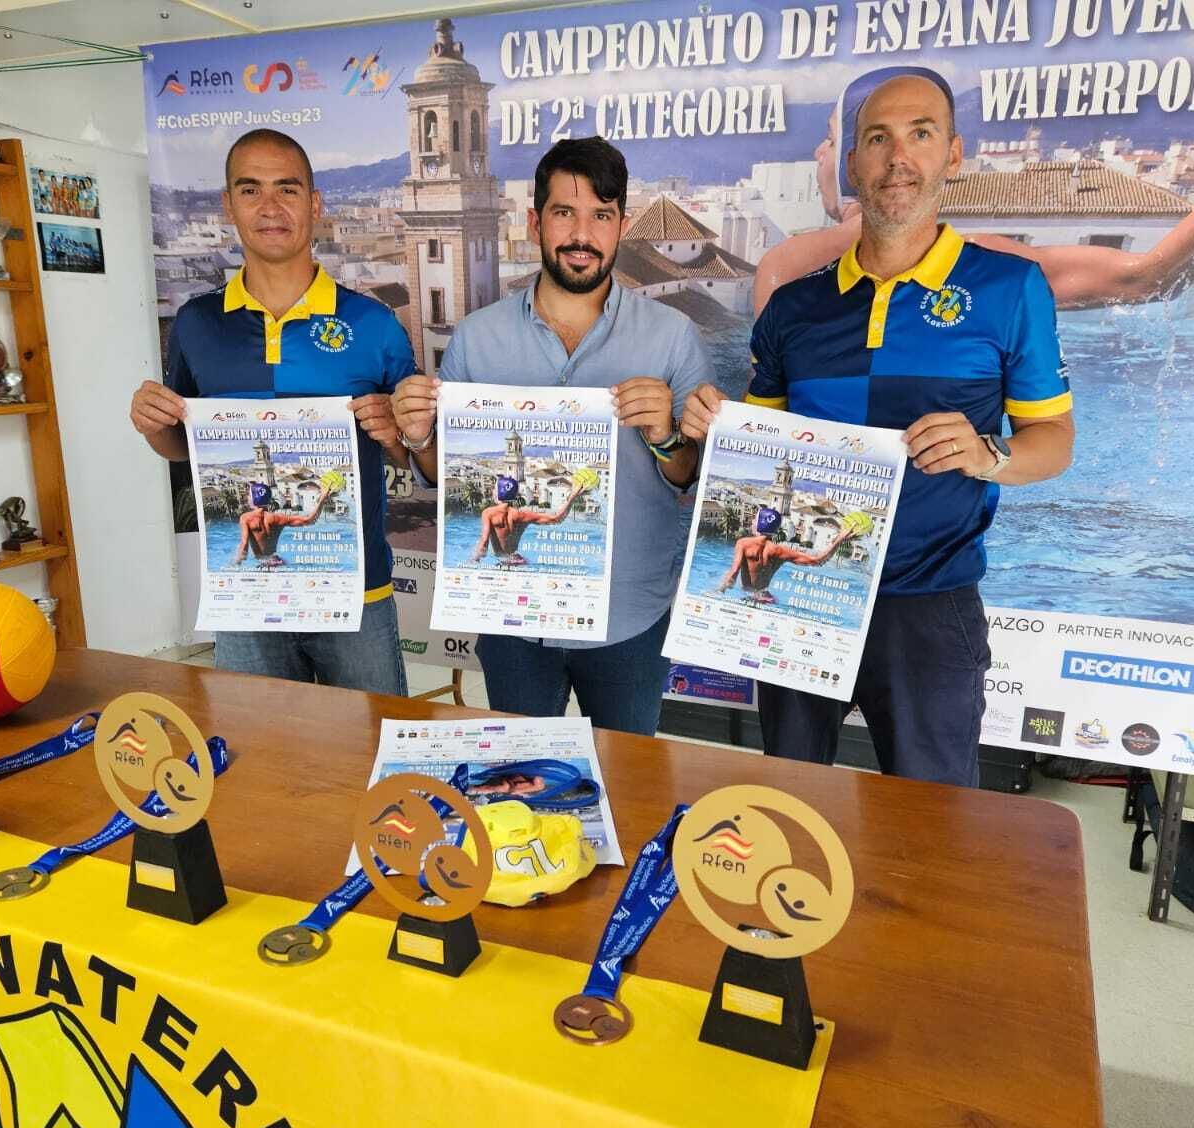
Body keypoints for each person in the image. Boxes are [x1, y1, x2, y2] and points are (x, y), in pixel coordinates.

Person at [682, 70, 1075, 786]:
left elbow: (1055, 441)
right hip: (800, 592)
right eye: (877, 139)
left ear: (952, 154)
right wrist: (716, 426)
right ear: (853, 164)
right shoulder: (793, 309)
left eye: (920, 134)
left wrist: (990, 455)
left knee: (934, 828)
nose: (899, 157)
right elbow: (758, 452)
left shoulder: (1009, 288)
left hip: (930, 600)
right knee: (792, 802)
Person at [392, 137, 722, 735]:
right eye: (564, 212)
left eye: (601, 215)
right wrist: (418, 439)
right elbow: (447, 481)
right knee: (520, 777)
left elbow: (690, 474)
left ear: (621, 224)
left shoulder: (672, 337)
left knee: (629, 786)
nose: (582, 233)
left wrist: (668, 435)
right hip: (512, 618)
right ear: (534, 221)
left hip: (628, 616)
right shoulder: (477, 338)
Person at [754, 33, 1194, 314]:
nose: (816, 157)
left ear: (847, 163)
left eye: (829, 141)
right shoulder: (991, 268)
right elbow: (1151, 277)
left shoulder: (785, 269)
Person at [130, 128, 413, 696]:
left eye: (287, 189)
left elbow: (413, 450)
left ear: (315, 203)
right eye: (251, 190)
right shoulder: (197, 323)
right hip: (245, 598)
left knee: (373, 757)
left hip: (357, 590)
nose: (270, 207)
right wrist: (155, 427)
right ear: (227, 205)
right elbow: (187, 447)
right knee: (259, 760)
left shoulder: (373, 323)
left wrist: (398, 430)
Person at [716, 507, 865, 605]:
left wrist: (719, 590)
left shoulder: (743, 543)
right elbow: (817, 561)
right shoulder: (780, 550)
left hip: (748, 597)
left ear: (760, 524)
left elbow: (733, 573)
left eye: (755, 519)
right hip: (766, 598)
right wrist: (838, 540)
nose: (753, 521)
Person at [471, 475, 588, 566]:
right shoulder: (522, 515)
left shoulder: (488, 513)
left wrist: (473, 561)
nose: (492, 491)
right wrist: (573, 496)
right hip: (517, 560)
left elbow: (484, 543)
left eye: (494, 489)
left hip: (502, 562)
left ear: (499, 493)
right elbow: (557, 519)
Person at [232, 480, 335, 567]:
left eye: (249, 495)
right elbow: (310, 520)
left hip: (263, 564)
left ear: (255, 497)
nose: (248, 498)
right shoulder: (277, 518)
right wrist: (322, 499)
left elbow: (244, 546)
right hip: (277, 562)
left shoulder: (246, 518)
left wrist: (235, 565)